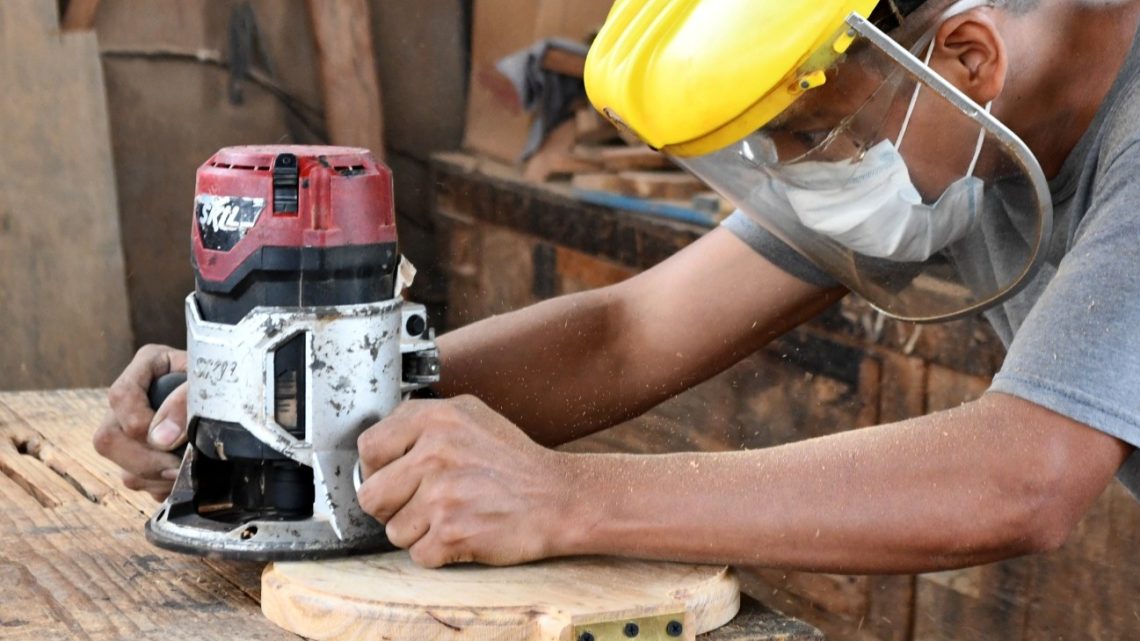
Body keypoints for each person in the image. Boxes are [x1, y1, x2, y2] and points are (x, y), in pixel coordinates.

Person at [96, 0, 1140, 574]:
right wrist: (287, 403)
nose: (806, 176)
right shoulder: (947, 119)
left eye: (813, 137)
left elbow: (1024, 473)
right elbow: (631, 334)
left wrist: (570, 496)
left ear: (967, 54)